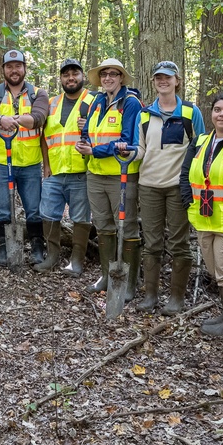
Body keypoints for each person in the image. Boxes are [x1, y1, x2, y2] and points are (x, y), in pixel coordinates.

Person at [135, 61, 205, 314]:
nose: (162, 81)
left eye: (167, 77)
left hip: (178, 187)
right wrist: (123, 152)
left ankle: (176, 299)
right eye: (158, 78)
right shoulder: (144, 114)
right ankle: (151, 295)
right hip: (149, 185)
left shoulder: (190, 112)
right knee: (152, 242)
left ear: (177, 80)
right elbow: (140, 148)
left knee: (179, 243)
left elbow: (200, 147)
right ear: (153, 82)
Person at [180, 93, 223, 336]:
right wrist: (187, 199)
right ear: (211, 114)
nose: (222, 114)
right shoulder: (200, 140)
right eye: (218, 109)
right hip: (203, 218)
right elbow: (185, 172)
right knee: (215, 269)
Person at [76, 58, 142, 296]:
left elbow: (127, 142)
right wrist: (84, 142)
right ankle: (106, 276)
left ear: (121, 77)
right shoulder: (97, 101)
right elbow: (88, 131)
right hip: (95, 173)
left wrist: (95, 150)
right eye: (104, 74)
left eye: (114, 74)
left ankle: (130, 283)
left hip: (121, 174)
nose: (108, 78)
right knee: (103, 225)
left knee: (128, 227)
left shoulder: (131, 103)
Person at [0, 49, 50, 266]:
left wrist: (9, 119)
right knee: (2, 207)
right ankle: (3, 249)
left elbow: (39, 118)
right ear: (3, 69)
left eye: (18, 66)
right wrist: (0, 119)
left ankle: (37, 248)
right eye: (9, 66)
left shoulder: (38, 94)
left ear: (24, 69)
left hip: (30, 162)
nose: (14, 70)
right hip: (2, 160)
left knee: (34, 208)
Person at [36, 59, 94, 275]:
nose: (71, 78)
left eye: (75, 74)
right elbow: (45, 136)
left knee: (80, 217)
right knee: (48, 214)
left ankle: (76, 261)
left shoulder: (94, 100)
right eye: (66, 75)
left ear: (82, 76)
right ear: (61, 78)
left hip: (82, 171)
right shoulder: (51, 103)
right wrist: (46, 164)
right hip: (55, 172)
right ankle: (51, 257)